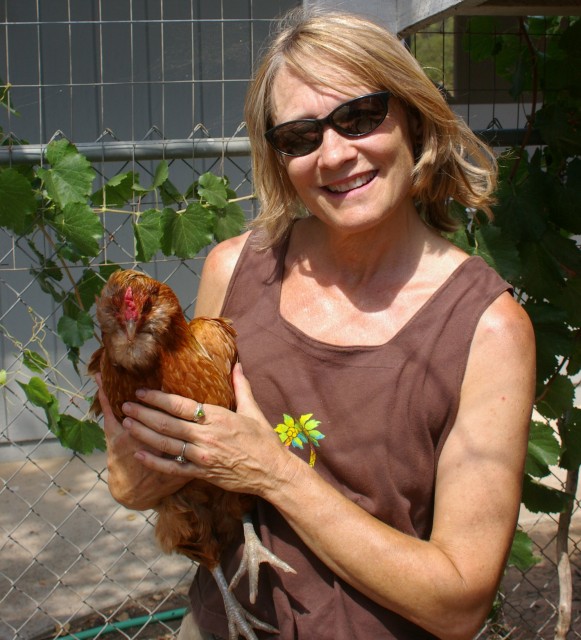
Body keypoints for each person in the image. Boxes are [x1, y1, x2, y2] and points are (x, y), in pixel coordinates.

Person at [98, 7, 536, 640]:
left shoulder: (487, 326)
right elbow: (135, 486)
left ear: (411, 115)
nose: (334, 154)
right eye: (300, 136)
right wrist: (145, 462)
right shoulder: (234, 270)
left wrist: (270, 470)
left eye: (359, 117)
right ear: (279, 156)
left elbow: (459, 604)